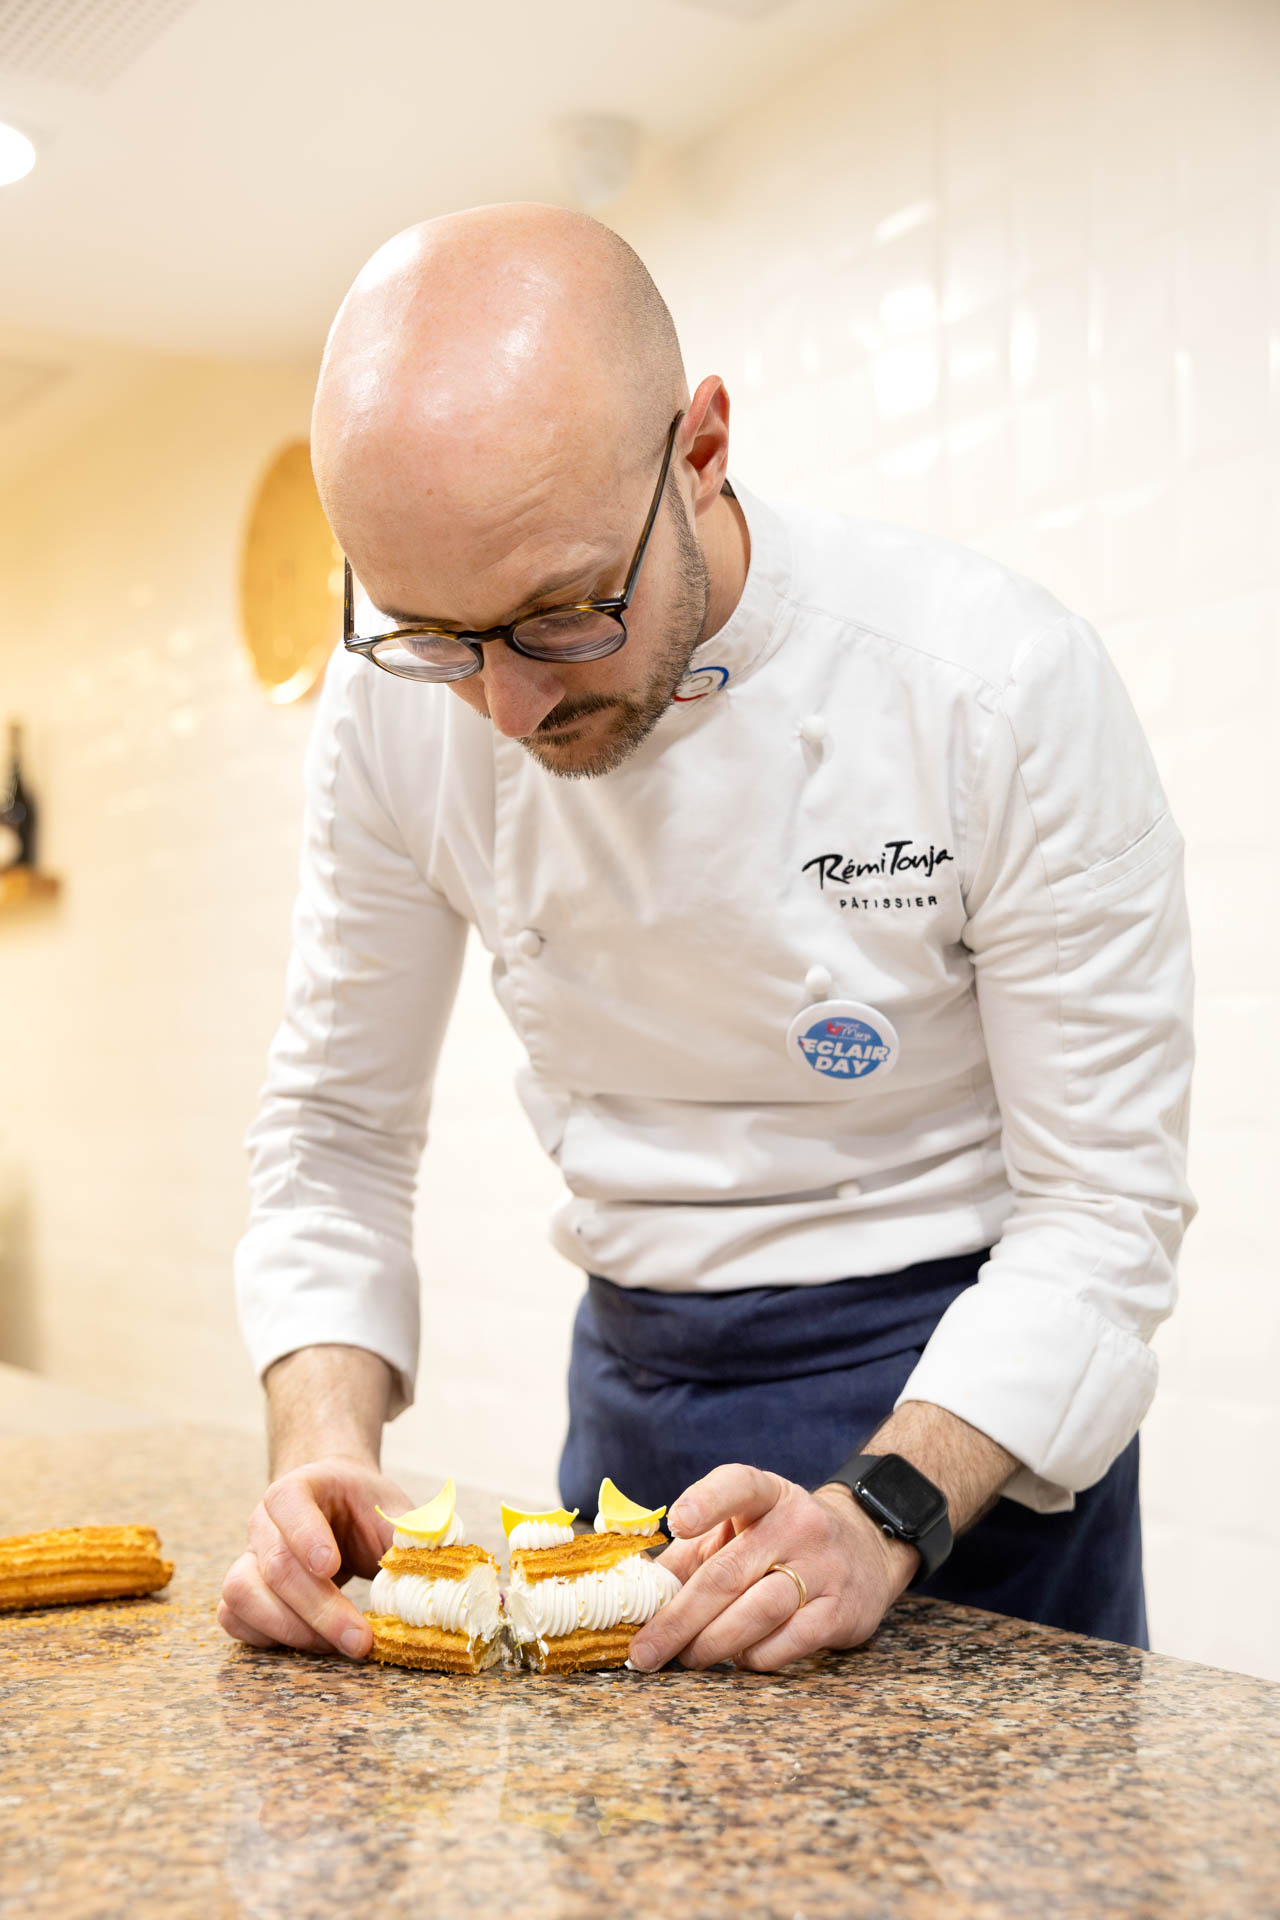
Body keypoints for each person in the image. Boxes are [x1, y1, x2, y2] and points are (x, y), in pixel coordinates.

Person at [218, 201, 1196, 1672]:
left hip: (971, 1450)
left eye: (561, 614)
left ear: (702, 451)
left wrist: (884, 1508)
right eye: (434, 636)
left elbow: (1104, 1210)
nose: (506, 709)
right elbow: (336, 1134)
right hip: (640, 1414)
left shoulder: (994, 687)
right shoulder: (391, 718)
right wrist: (319, 1452)